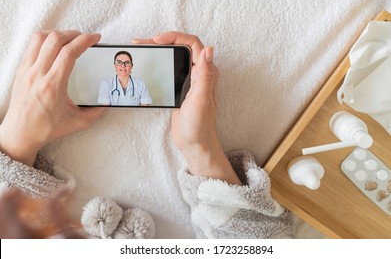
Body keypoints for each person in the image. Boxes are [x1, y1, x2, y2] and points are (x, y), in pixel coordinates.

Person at [0, 30, 293, 238]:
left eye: (128, 63)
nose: (124, 67)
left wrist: (17, 141)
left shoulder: (139, 85)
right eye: (120, 64)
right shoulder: (107, 85)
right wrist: (201, 148)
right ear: (115, 66)